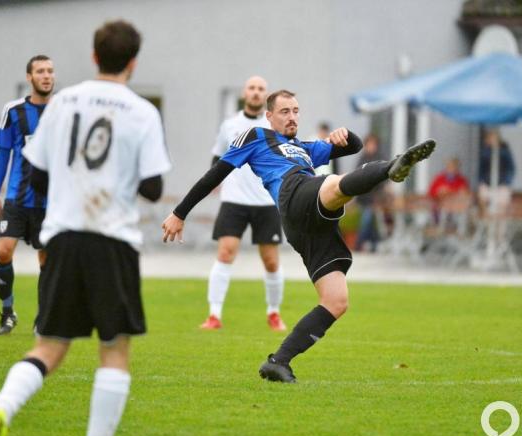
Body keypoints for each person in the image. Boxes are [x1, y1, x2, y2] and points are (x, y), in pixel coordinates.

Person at [0, 20, 171, 436]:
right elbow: (154, 188)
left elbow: (37, 175)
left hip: (62, 236)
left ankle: (2, 409)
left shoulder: (63, 104)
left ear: (95, 56)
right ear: (133, 63)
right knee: (114, 351)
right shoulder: (142, 111)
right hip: (112, 239)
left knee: (49, 347)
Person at [162, 90, 435, 382]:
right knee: (332, 185)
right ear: (269, 116)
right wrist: (180, 212)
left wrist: (347, 134)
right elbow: (215, 174)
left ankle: (279, 362)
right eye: (284, 111)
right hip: (293, 195)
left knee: (336, 300)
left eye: (295, 111)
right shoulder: (255, 135)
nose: (292, 117)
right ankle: (391, 168)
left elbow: (352, 147)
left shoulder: (304, 148)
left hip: (307, 223)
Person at [201, 75, 286, 331]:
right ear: (244, 93)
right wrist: (213, 182)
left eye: (261, 89)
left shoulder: (274, 126)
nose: (256, 93)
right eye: (252, 88)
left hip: (265, 200)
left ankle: (274, 313)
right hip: (234, 200)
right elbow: (216, 159)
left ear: (266, 95)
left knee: (271, 261)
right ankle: (214, 315)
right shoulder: (230, 125)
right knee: (225, 253)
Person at [0, 54, 55, 335]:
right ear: (29, 77)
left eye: (50, 71)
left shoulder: (62, 111)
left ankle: (42, 318)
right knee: (4, 252)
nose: (46, 76)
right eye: (40, 71)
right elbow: (3, 154)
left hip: (50, 203)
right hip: (16, 198)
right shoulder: (13, 111)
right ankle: (7, 311)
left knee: (47, 260)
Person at [354, 134, 385, 252]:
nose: (371, 147)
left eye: (374, 144)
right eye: (369, 144)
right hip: (363, 194)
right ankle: (374, 244)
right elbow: (357, 175)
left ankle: (358, 243)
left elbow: (383, 177)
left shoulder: (380, 158)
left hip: (374, 196)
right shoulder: (363, 158)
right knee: (370, 221)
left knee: (367, 219)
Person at [477, 128, 515, 215]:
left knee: (502, 208)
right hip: (487, 182)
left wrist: (506, 181)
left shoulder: (505, 152)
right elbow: (481, 168)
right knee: (483, 200)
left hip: (502, 183)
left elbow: (511, 168)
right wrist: (482, 181)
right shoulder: (485, 153)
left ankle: (499, 225)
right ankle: (486, 222)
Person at [428, 157, 470, 230]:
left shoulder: (461, 180)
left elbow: (465, 193)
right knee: (442, 212)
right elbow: (431, 192)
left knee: (462, 212)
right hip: (440, 208)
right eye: (450, 166)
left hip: (456, 209)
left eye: (454, 167)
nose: (452, 169)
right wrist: (440, 192)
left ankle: (459, 231)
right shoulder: (440, 178)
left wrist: (453, 192)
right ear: (447, 167)